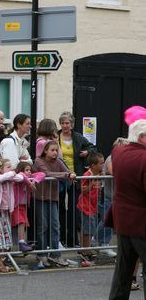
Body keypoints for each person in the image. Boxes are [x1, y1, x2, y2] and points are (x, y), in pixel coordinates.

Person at [106, 119, 146, 300]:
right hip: (141, 221)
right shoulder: (144, 157)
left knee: (123, 269)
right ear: (142, 137)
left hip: (122, 219)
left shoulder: (118, 152)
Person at [33, 140, 76, 269]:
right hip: (40, 197)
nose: (55, 153)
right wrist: (66, 175)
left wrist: (71, 174)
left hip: (53, 198)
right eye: (52, 150)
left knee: (55, 226)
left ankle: (55, 255)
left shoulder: (58, 162)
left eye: (56, 150)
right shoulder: (38, 161)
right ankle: (42, 254)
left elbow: (67, 171)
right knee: (43, 226)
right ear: (45, 150)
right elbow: (47, 173)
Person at [58, 111, 96, 248]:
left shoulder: (78, 137)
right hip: (60, 177)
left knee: (74, 209)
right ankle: (61, 239)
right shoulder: (56, 136)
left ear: (72, 124)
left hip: (76, 177)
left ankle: (73, 240)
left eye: (67, 123)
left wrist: (87, 152)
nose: (65, 125)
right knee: (60, 208)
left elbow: (92, 147)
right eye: (63, 123)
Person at [0, 156, 19, 273]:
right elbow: (1, 178)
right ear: (0, 168)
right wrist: (12, 173)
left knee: (3, 239)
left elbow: (21, 177)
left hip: (5, 212)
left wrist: (13, 173)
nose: (11, 169)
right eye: (8, 167)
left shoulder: (9, 176)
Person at [77, 150, 105, 267]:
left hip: (93, 206)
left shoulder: (100, 174)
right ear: (93, 165)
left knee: (90, 229)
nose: (103, 165)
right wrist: (91, 184)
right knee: (87, 229)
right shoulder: (87, 175)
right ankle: (85, 250)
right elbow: (83, 190)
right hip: (85, 206)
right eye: (101, 164)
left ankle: (86, 249)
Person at [12, 160, 42, 253]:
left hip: (23, 206)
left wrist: (34, 181)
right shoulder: (19, 177)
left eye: (30, 170)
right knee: (21, 223)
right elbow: (20, 175)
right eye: (27, 170)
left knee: (24, 224)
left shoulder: (29, 178)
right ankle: (21, 243)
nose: (29, 172)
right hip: (16, 206)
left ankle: (23, 243)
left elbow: (42, 174)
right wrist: (29, 183)